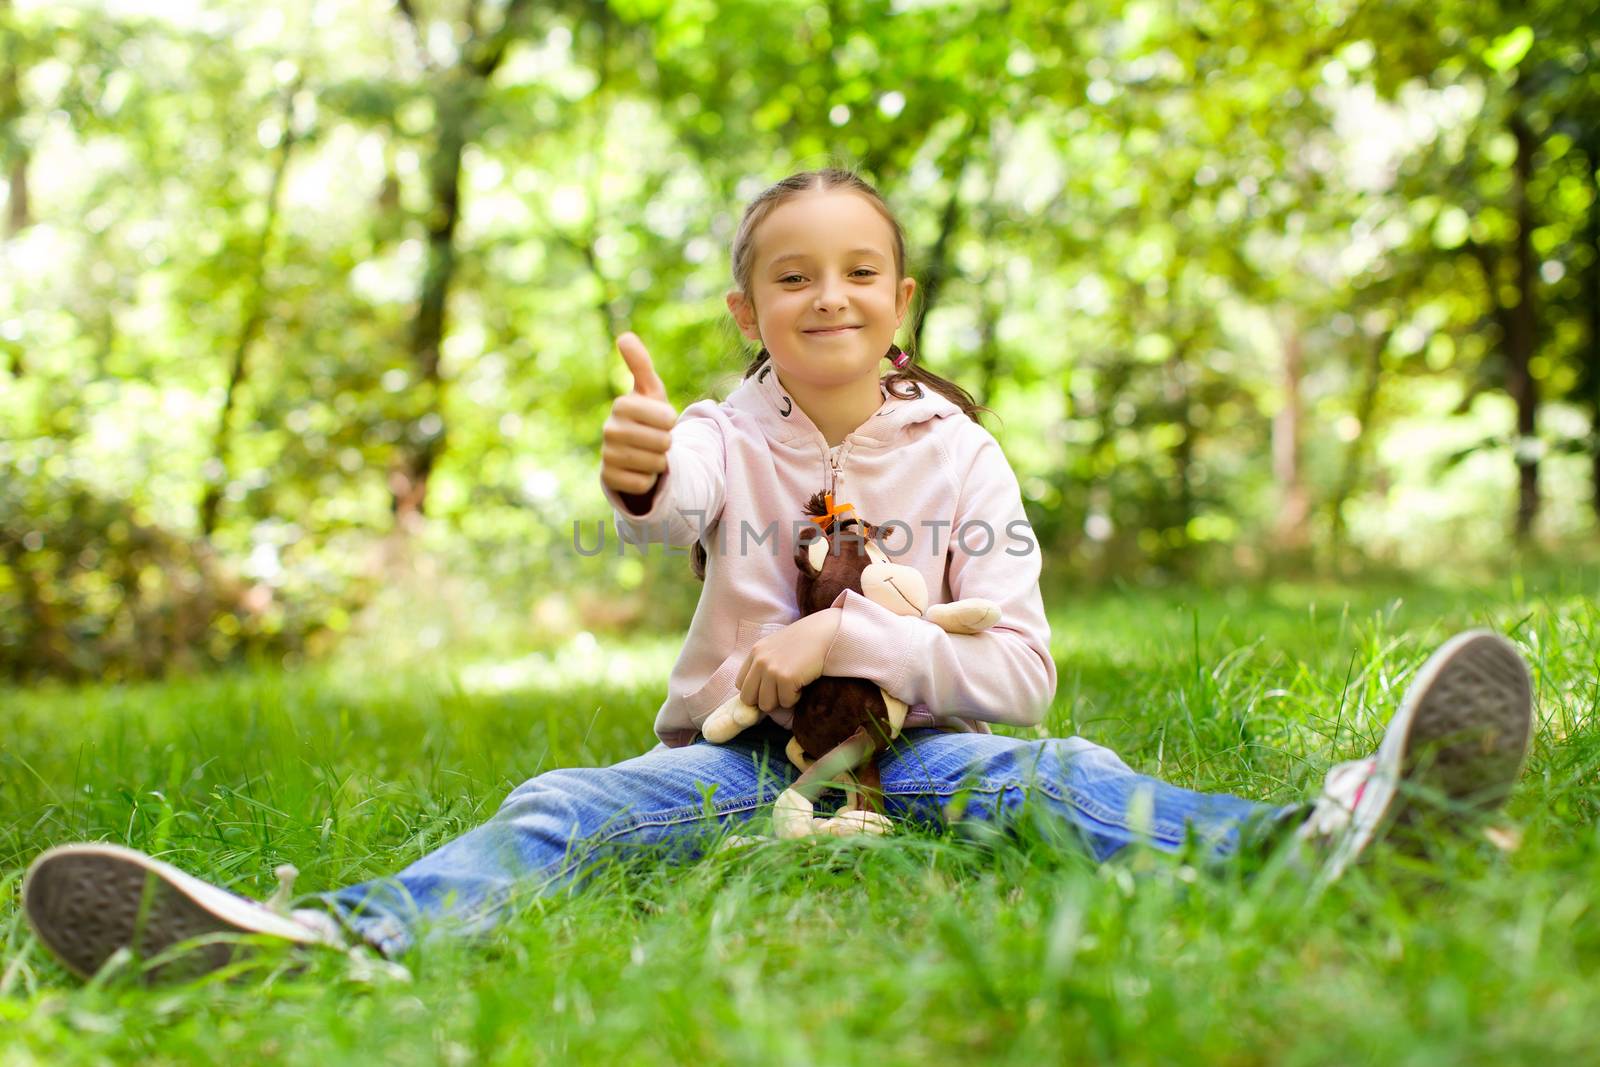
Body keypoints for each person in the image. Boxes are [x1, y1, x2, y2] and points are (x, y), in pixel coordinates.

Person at [20, 169, 1535, 982]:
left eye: (856, 271)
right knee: (565, 811)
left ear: (899, 300)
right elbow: (666, 501)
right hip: (741, 770)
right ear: (750, 305)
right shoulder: (719, 439)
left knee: (1062, 776)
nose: (828, 293)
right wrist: (633, 465)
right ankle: (327, 940)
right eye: (792, 274)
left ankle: (1325, 838)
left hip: (931, 760)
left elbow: (1018, 669)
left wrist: (862, 642)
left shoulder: (965, 463)